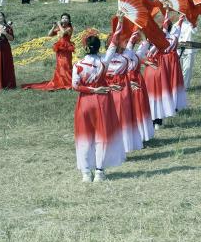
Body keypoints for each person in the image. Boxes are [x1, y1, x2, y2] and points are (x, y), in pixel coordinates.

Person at [71, 33, 125, 182]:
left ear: (85, 47)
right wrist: (120, 25)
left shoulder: (78, 65)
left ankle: (86, 173)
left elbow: (75, 86)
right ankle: (99, 172)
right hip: (102, 102)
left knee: (84, 136)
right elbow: (113, 45)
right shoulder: (104, 61)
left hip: (85, 103)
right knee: (102, 136)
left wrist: (93, 89)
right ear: (98, 47)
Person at [104, 19, 144, 153]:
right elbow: (132, 43)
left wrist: (120, 24)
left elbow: (115, 45)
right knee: (125, 117)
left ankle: (112, 144)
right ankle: (126, 144)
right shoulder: (126, 57)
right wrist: (138, 29)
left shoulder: (104, 60)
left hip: (107, 91)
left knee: (109, 118)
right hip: (122, 90)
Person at [23, 13, 75, 90]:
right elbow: (49, 34)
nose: (64, 19)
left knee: (66, 64)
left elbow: (64, 33)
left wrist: (59, 25)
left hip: (66, 48)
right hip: (60, 48)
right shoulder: (59, 27)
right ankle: (61, 81)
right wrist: (54, 26)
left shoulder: (69, 28)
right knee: (60, 65)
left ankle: (68, 81)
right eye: (63, 18)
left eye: (66, 18)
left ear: (69, 20)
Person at [178, 18, 198, 89]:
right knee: (178, 69)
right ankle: (178, 86)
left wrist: (193, 24)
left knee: (187, 68)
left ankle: (185, 87)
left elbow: (195, 31)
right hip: (178, 50)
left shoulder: (191, 23)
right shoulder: (175, 24)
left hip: (189, 50)